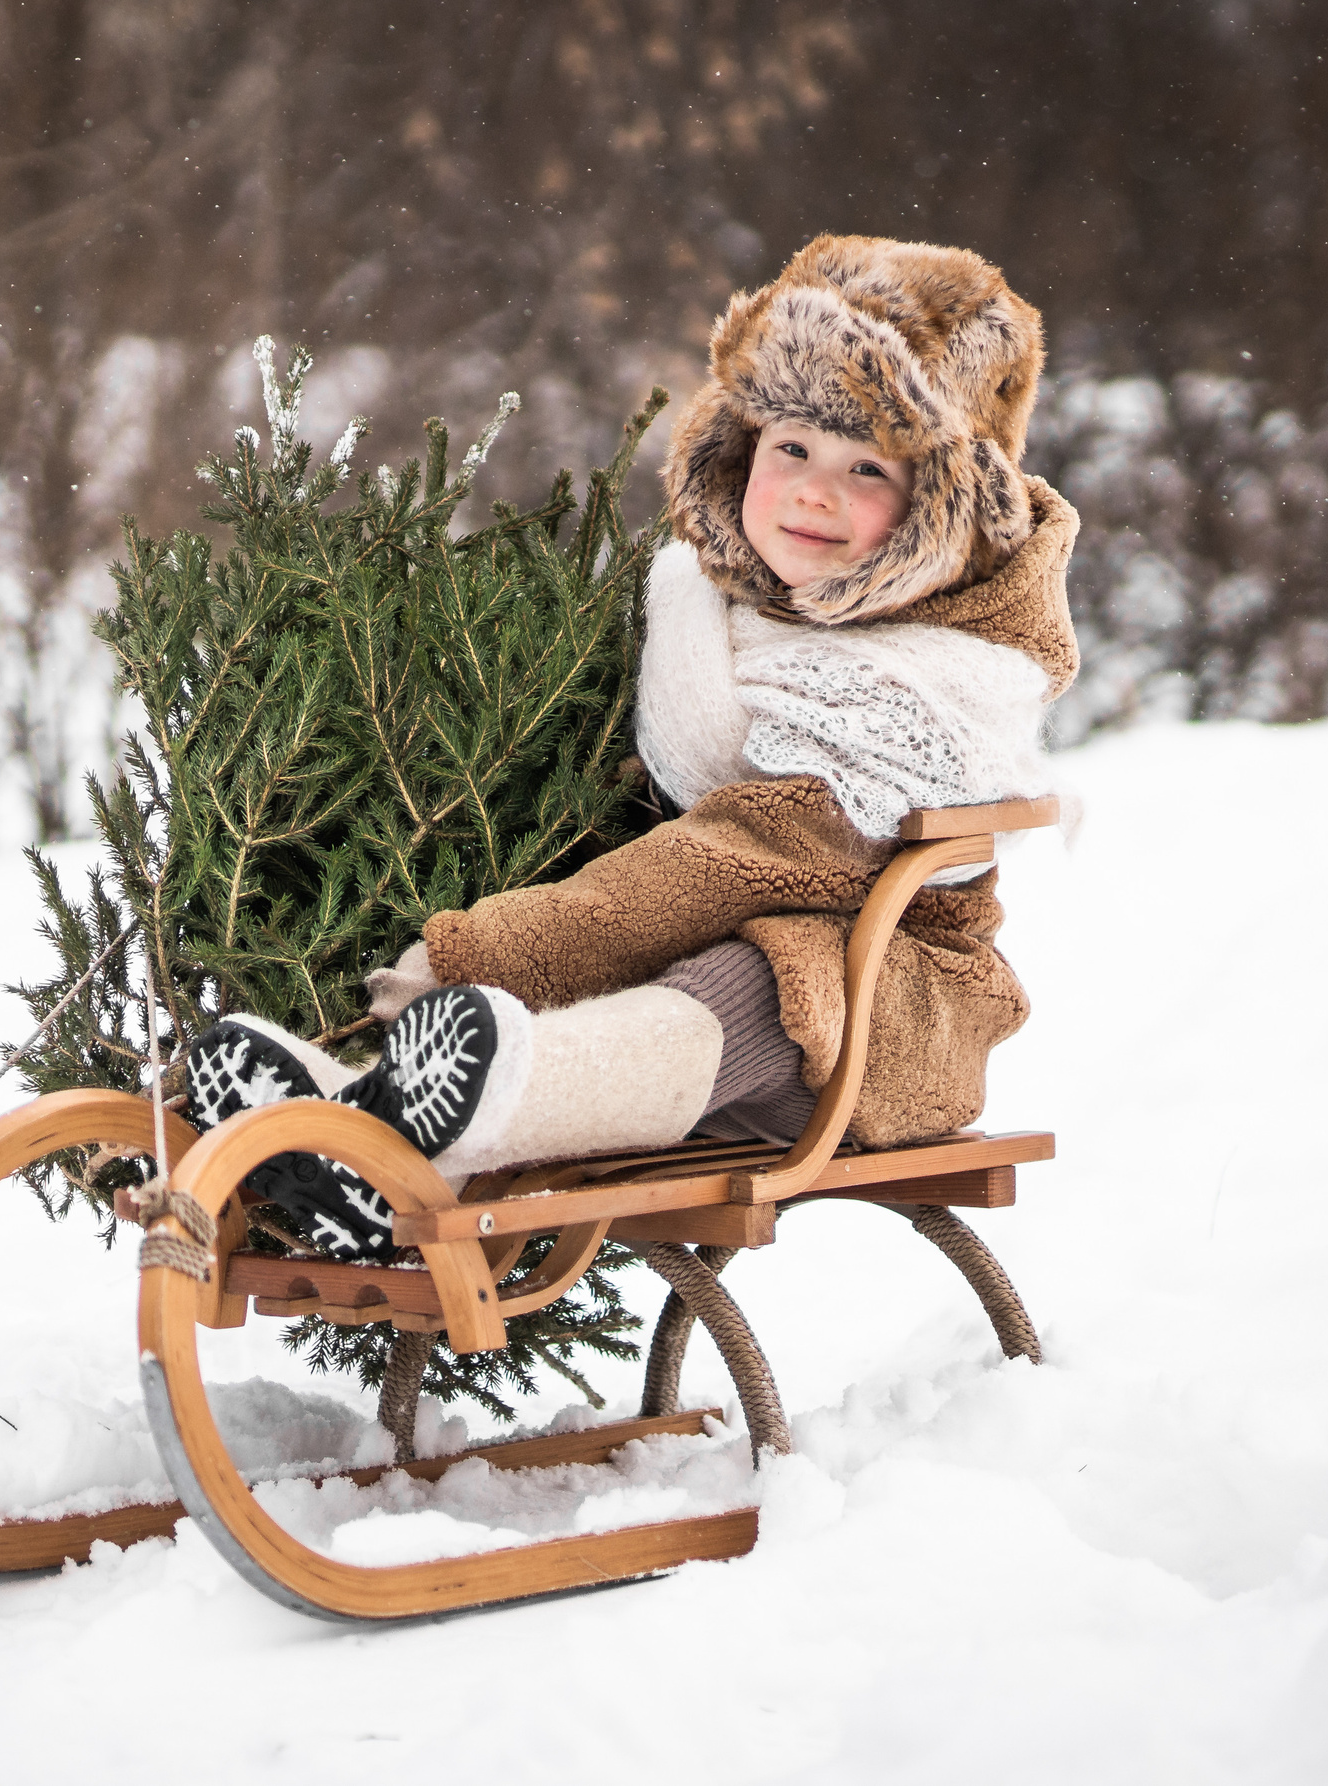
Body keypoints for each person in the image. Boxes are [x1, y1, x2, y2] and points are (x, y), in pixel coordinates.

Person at [184, 234, 1082, 1260]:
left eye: (868, 467)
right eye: (792, 448)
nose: (812, 491)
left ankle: (439, 1121)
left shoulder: (935, 682)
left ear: (941, 507)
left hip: (885, 1015)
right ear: (740, 445)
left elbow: (745, 856)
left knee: (767, 975)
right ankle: (357, 1126)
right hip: (687, 976)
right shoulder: (705, 612)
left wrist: (477, 955)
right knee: (720, 962)